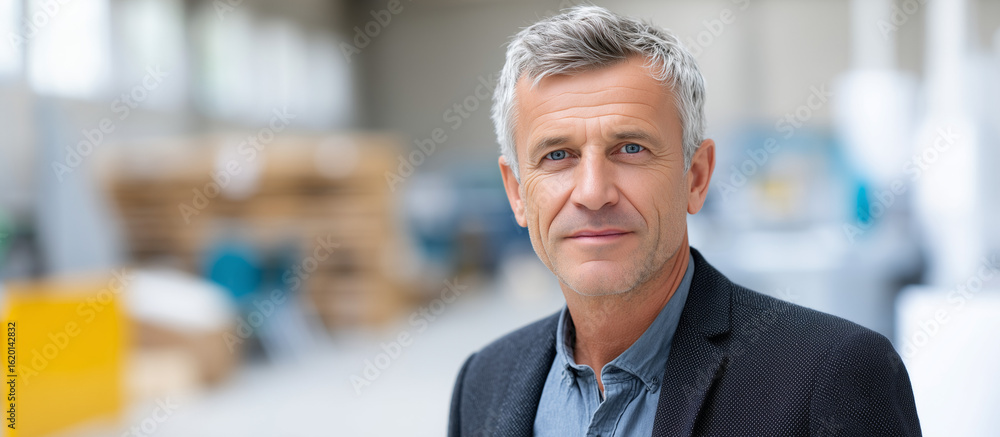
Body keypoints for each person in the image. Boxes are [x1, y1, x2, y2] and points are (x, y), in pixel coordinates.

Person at [447, 5, 920, 437]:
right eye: (557, 155)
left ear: (696, 177)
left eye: (630, 148)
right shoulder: (483, 384)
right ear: (517, 192)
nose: (593, 192)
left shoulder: (833, 376)